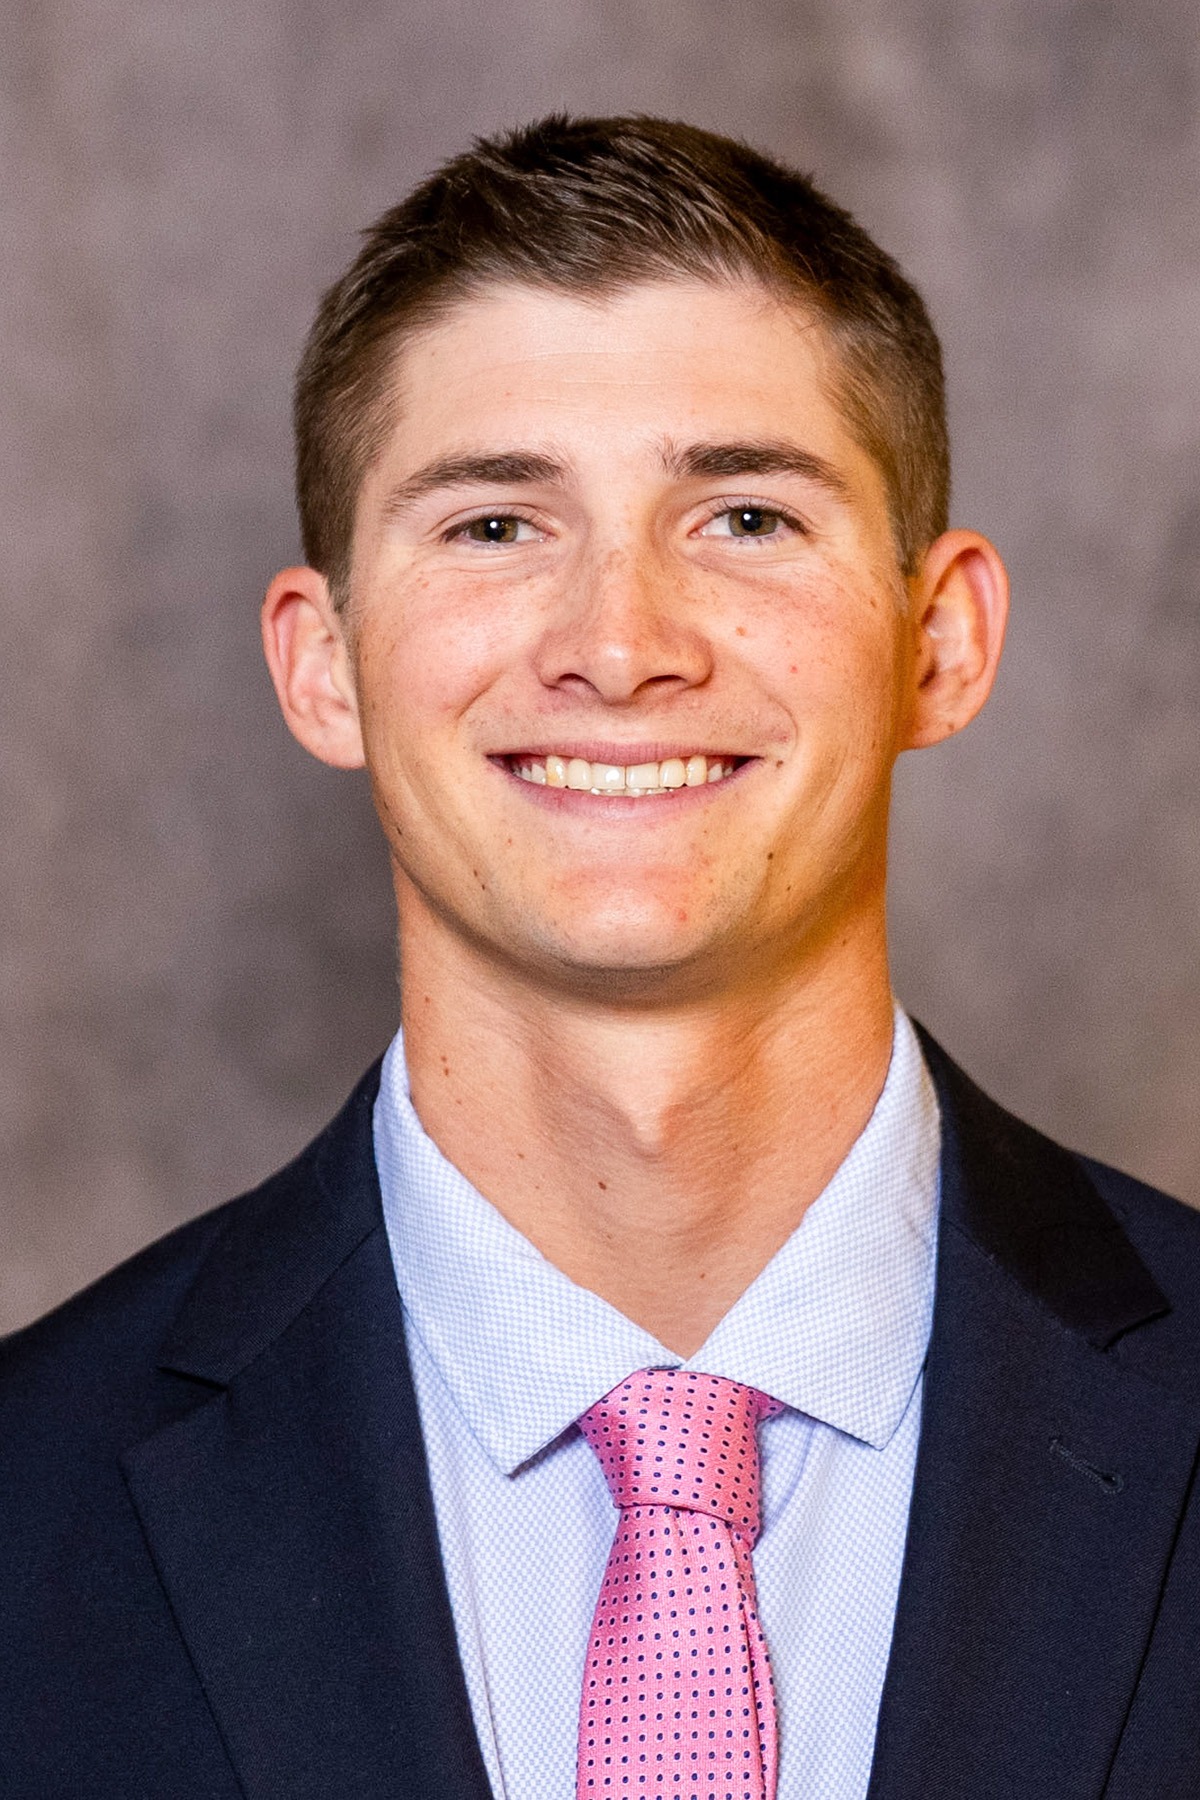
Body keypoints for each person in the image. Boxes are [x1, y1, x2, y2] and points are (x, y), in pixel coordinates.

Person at [3, 115, 1199, 1800]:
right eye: (496, 526)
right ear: (324, 664)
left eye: (745, 516)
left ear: (940, 642)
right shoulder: (26, 1504)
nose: (621, 646)